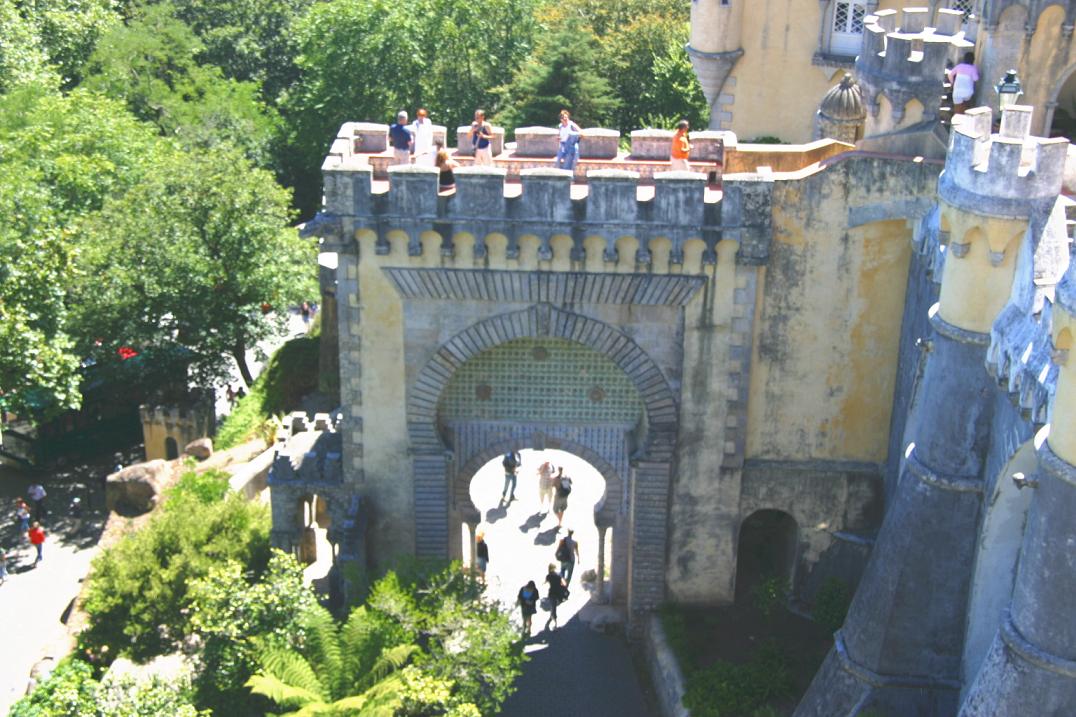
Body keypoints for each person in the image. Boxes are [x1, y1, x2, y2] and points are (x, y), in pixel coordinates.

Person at [948, 52, 979, 116]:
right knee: (966, 109)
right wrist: (975, 69)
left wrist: (952, 83)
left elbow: (950, 75)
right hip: (968, 92)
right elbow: (976, 79)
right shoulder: (972, 68)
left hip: (957, 92)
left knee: (957, 112)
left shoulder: (959, 66)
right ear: (973, 60)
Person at [544, 563, 568, 630]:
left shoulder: (548, 576)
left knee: (553, 607)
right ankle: (553, 621)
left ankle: (554, 623)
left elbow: (545, 582)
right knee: (554, 607)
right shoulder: (558, 575)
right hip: (558, 593)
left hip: (552, 593)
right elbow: (564, 584)